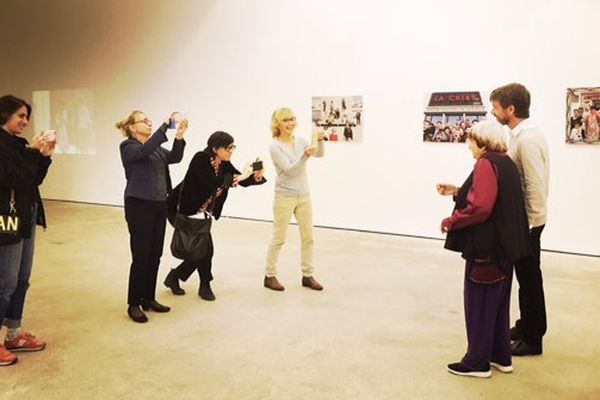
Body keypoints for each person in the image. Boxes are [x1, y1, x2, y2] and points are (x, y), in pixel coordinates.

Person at [438, 120, 530, 378]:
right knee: (498, 306)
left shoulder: (485, 163)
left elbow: (481, 207)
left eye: (471, 139)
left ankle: (477, 362)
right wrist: (458, 192)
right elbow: (493, 197)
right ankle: (501, 356)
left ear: (482, 142)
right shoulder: (506, 162)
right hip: (505, 249)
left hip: (486, 249)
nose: (468, 145)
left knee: (478, 304)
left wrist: (451, 221)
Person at [163, 131, 266, 300]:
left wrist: (256, 176)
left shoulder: (224, 163)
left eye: (233, 147)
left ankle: (175, 277)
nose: (231, 151)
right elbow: (210, 182)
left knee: (201, 250)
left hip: (201, 215)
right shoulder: (200, 159)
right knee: (205, 251)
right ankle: (204, 286)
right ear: (215, 148)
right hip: (182, 211)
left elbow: (240, 180)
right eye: (228, 148)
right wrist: (239, 177)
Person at [490, 83, 550, 356]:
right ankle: (526, 325)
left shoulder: (526, 139)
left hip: (527, 223)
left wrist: (528, 226)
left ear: (510, 109)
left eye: (497, 107)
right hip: (526, 222)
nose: (493, 112)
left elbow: (535, 186)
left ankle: (533, 338)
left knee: (529, 280)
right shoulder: (521, 136)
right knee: (526, 278)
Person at [117, 110, 187, 323]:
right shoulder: (128, 147)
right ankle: (133, 303)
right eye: (144, 121)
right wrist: (165, 126)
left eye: (150, 121)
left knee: (155, 254)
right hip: (139, 205)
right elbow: (143, 152)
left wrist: (179, 137)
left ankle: (148, 298)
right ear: (131, 127)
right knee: (141, 255)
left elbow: (174, 157)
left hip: (158, 205)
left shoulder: (155, 149)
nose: (149, 124)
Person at [0, 95, 54, 366]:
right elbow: (12, 177)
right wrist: (33, 152)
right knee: (5, 282)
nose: (25, 121)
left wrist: (44, 156)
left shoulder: (19, 145)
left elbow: (33, 180)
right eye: (20, 115)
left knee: (22, 278)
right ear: (5, 114)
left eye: (26, 117)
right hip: (6, 219)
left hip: (26, 215)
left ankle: (13, 334)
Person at [263, 107, 324, 292]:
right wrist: (306, 156)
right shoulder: (275, 146)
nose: (289, 123)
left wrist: (320, 141)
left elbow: (320, 154)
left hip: (304, 195)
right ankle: (269, 275)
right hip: (284, 196)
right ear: (277, 124)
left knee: (308, 238)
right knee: (279, 238)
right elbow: (290, 169)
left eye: (291, 119)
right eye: (285, 120)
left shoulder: (301, 141)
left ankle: (308, 275)